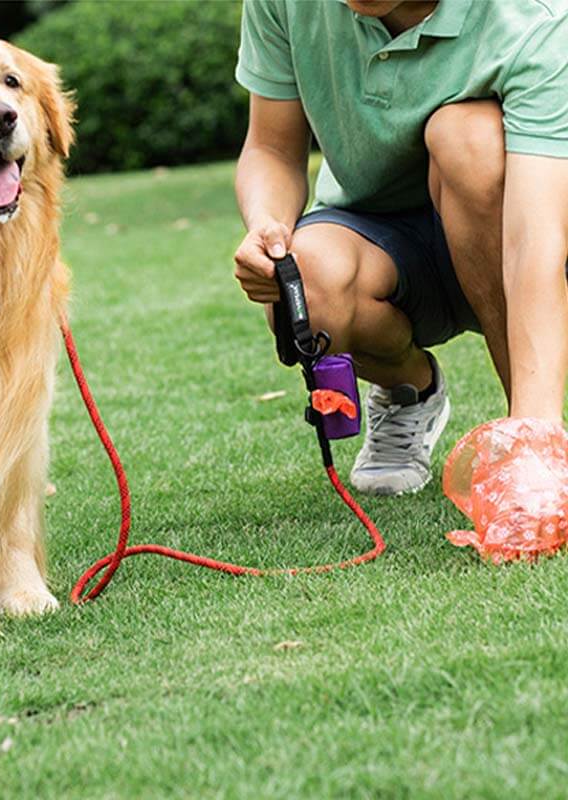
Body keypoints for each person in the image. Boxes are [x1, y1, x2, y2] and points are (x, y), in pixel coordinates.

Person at [233, 0, 568, 496]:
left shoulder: (534, 16)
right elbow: (272, 147)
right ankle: (410, 390)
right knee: (306, 283)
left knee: (465, 137)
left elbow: (534, 241)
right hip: (378, 237)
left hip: (507, 220)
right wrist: (268, 223)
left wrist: (536, 435)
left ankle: (529, 441)